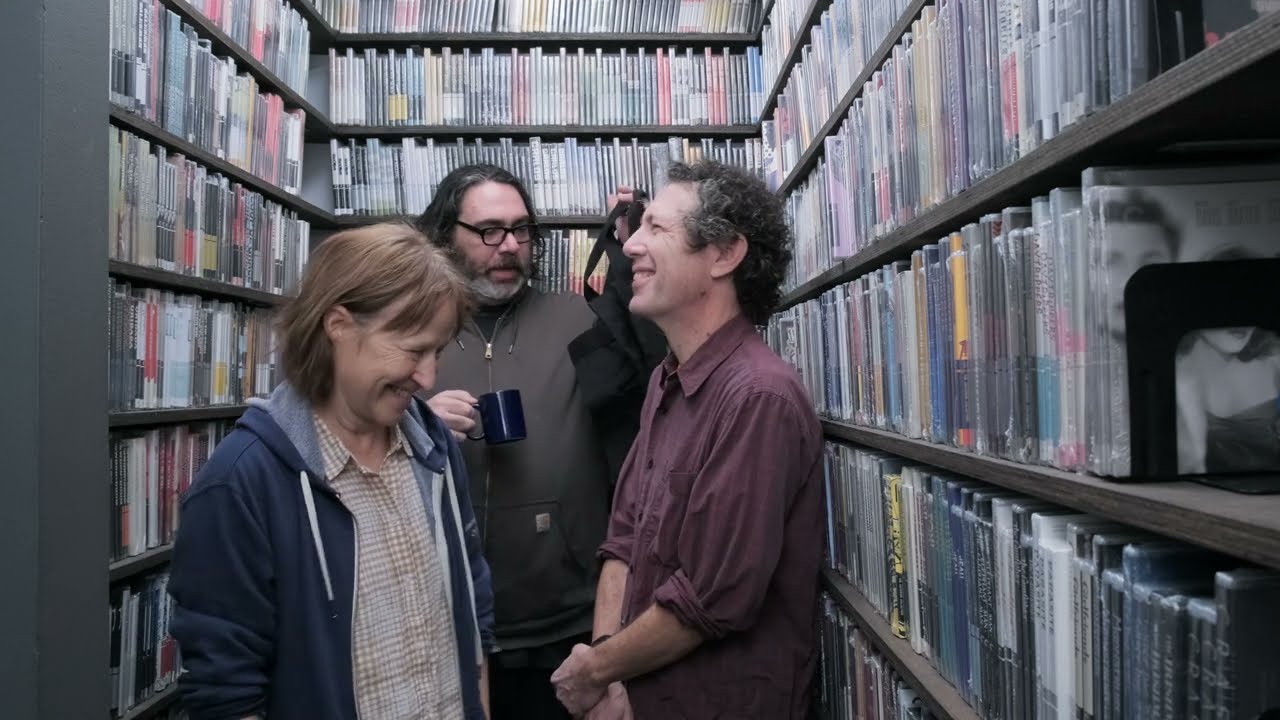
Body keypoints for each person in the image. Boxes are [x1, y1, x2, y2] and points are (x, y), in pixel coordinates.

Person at [166, 222, 495, 720]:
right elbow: (225, 692)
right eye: (413, 350)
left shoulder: (435, 449)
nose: (429, 377)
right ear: (338, 324)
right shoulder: (242, 483)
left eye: (438, 351)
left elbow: (473, 613)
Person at [551, 159, 826, 719]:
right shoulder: (665, 378)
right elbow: (623, 539)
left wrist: (594, 672)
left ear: (724, 254)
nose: (630, 245)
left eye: (656, 227)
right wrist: (609, 672)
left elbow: (710, 599)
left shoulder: (759, 397)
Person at [415, 165, 615, 720]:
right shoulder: (408, 330)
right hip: (443, 622)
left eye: (521, 229)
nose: (509, 246)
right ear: (445, 235)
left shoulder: (580, 321)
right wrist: (414, 422)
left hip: (566, 628)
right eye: (489, 231)